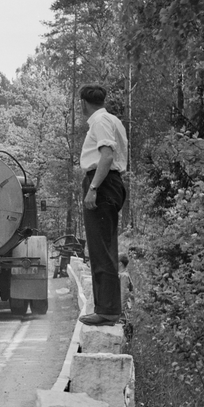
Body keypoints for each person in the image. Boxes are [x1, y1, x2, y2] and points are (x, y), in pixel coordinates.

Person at [77, 85, 129, 326]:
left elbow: (106, 156)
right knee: (105, 247)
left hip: (103, 183)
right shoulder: (113, 120)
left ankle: (107, 311)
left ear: (83, 103)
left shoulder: (99, 122)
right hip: (111, 183)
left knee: (100, 250)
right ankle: (108, 308)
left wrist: (93, 188)